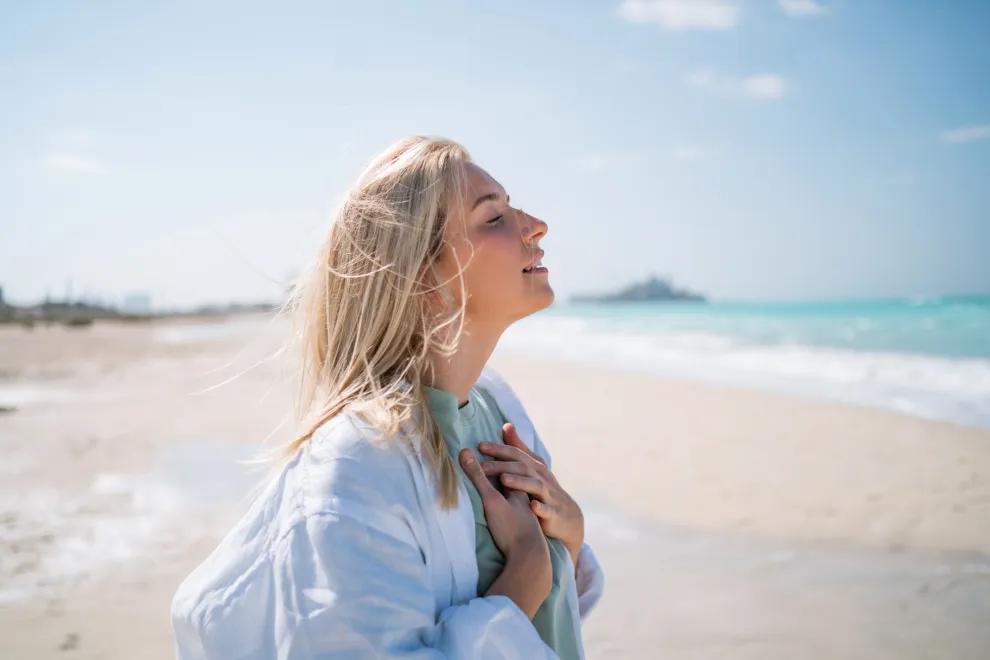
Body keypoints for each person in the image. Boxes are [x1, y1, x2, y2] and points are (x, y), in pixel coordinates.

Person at [170, 136, 605, 659]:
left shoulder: (499, 412)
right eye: (493, 217)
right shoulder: (357, 461)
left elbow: (550, 633)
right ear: (422, 277)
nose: (535, 225)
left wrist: (570, 537)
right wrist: (525, 577)